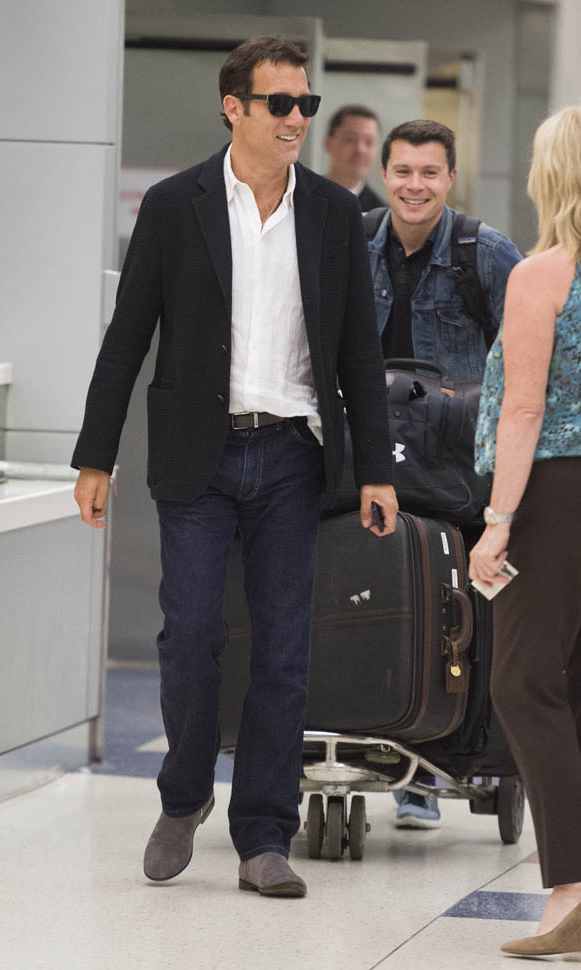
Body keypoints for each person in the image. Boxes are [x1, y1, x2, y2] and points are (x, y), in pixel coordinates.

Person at [71, 35, 397, 899]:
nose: (296, 118)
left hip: (293, 455)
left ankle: (263, 836)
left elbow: (358, 352)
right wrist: (94, 455)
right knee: (192, 637)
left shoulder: (331, 212)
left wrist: (374, 468)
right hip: (199, 455)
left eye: (305, 104)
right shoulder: (174, 205)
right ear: (234, 108)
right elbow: (127, 336)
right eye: (279, 104)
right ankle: (183, 799)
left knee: (283, 649)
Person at [367, 119, 522, 827]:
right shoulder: (353, 246)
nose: (414, 186)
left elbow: (529, 358)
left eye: (429, 172)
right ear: (384, 174)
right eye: (402, 171)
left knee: (445, 606)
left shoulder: (483, 254)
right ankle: (361, 728)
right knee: (368, 593)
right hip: (369, 459)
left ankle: (428, 767)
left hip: (456, 468)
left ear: (450, 178)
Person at [469, 104, 581, 959]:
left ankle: (571, 889)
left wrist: (496, 520)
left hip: (553, 491)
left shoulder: (544, 273)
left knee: (521, 681)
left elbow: (522, 407)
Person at [324, 104, 385, 211]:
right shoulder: (300, 195)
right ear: (328, 143)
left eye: (369, 142)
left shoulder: (381, 216)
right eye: (351, 139)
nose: (360, 150)